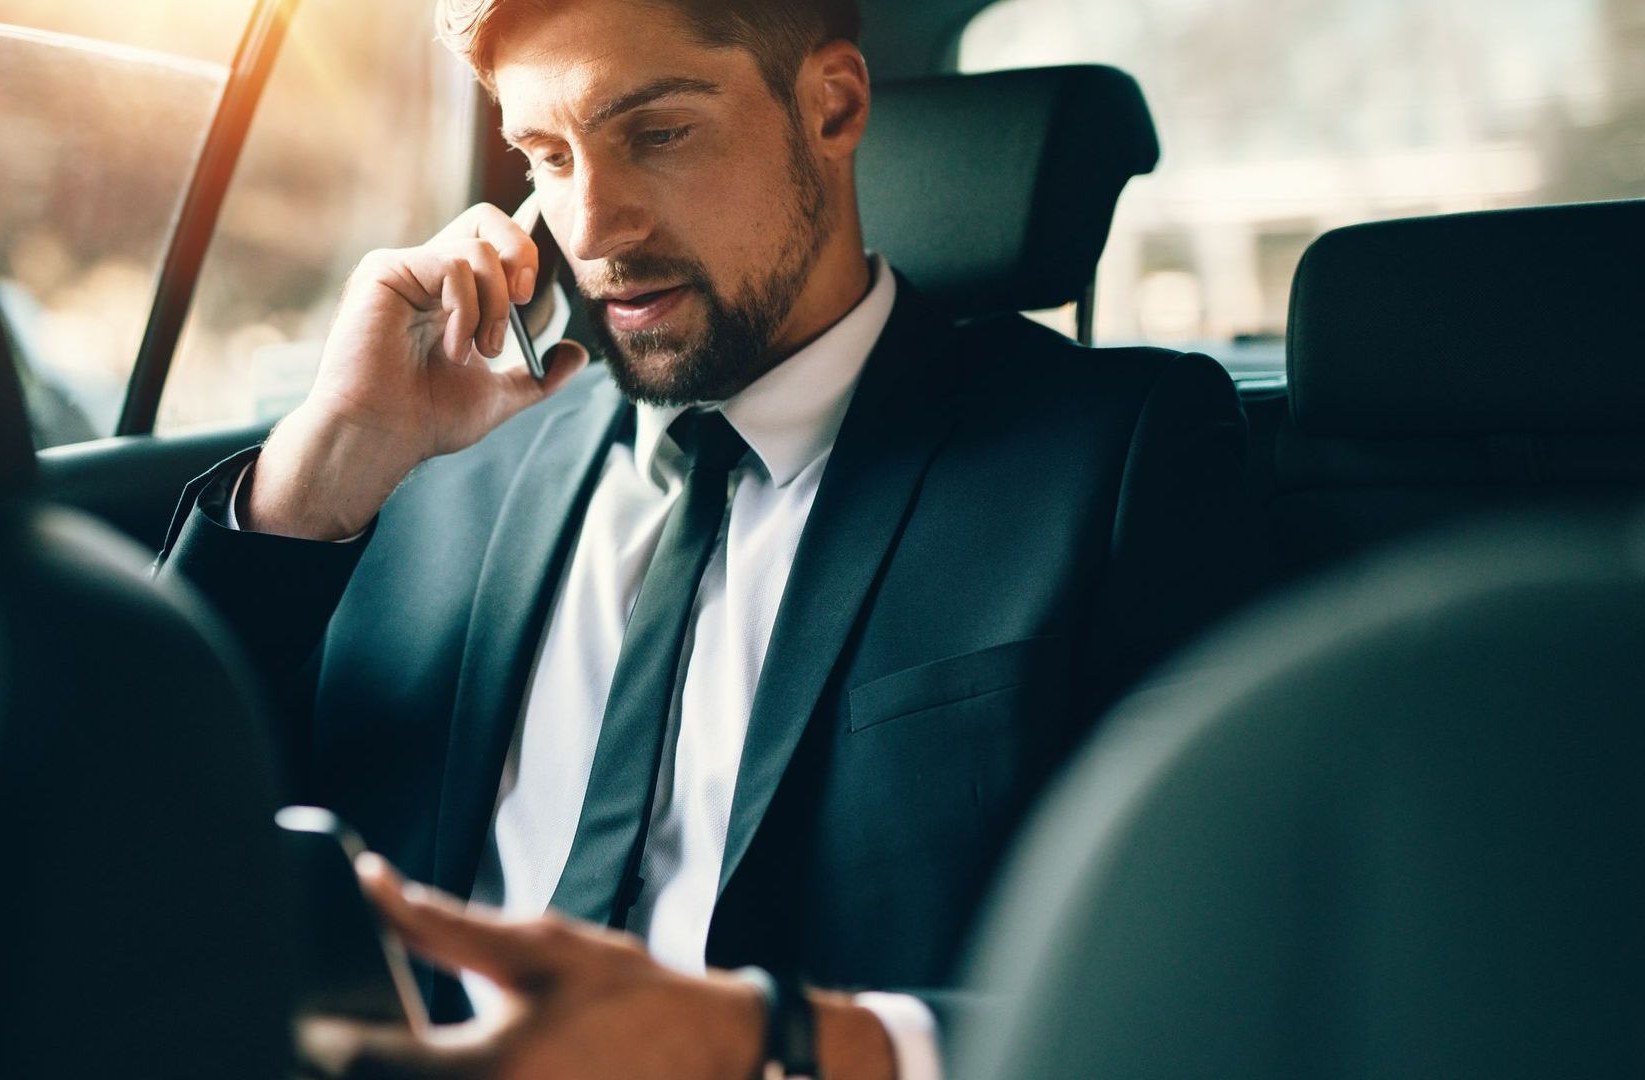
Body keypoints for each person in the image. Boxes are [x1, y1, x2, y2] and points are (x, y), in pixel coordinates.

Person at [157, 0, 1260, 1074]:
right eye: (546, 156)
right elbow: (124, 815)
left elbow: (1221, 981)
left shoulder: (1110, 458)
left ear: (832, 106)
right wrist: (328, 463)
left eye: (660, 134)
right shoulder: (436, 468)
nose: (593, 228)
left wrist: (777, 1045)